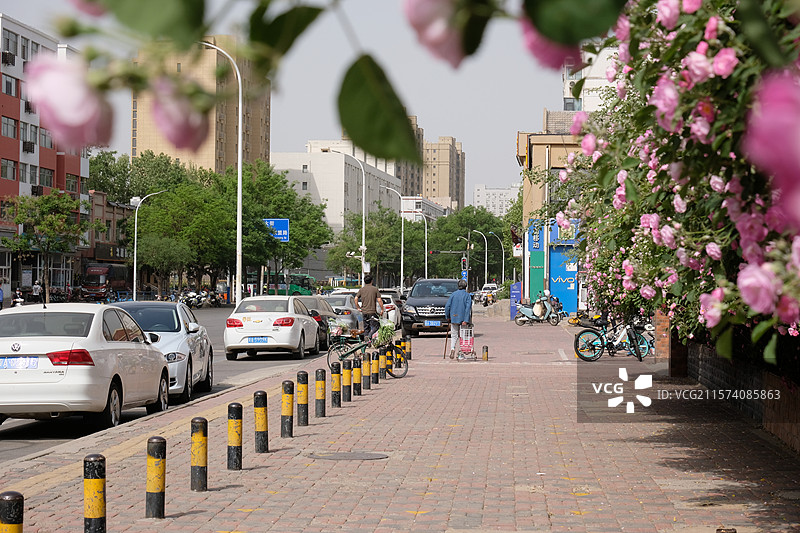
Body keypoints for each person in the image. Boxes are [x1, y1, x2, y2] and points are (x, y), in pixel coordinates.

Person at [445, 279, 473, 359]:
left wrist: (448, 317)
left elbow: (447, 306)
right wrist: (466, 320)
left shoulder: (453, 295)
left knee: (454, 335)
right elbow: (468, 308)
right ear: (466, 287)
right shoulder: (467, 296)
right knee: (463, 336)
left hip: (454, 317)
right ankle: (461, 352)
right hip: (463, 318)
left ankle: (452, 348)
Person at [354, 274, 385, 341]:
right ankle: (370, 336)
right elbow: (379, 300)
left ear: (365, 282)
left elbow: (356, 298)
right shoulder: (375, 289)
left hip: (364, 312)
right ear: (371, 281)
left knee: (366, 327)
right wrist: (382, 309)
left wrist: (358, 307)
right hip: (372, 312)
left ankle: (366, 342)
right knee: (376, 326)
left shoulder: (361, 290)